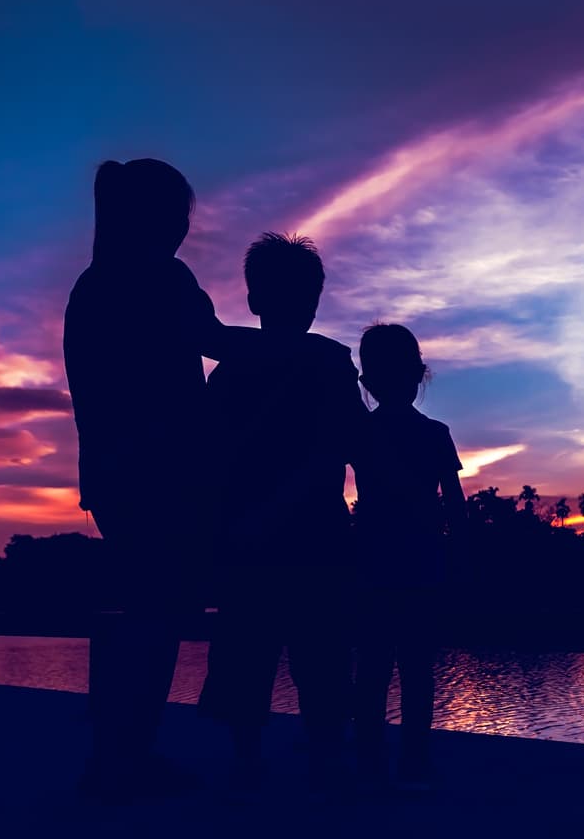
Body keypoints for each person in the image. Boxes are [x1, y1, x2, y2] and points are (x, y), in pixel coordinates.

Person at [63, 158, 256, 801]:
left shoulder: (91, 285)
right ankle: (123, 760)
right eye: (179, 216)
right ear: (155, 216)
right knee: (156, 618)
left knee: (145, 614)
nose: (184, 228)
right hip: (164, 480)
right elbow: (218, 343)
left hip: (115, 480)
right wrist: (295, 348)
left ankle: (116, 755)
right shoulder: (163, 279)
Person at [197, 233, 365, 789]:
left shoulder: (229, 370)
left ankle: (249, 765)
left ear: (253, 299)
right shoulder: (332, 362)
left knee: (251, 654)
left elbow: (209, 454)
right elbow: (342, 447)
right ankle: (324, 764)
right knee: (321, 657)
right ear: (314, 301)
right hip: (313, 532)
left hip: (251, 535)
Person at [352, 324, 466, 790]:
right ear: (418, 374)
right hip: (421, 563)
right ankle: (414, 761)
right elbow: (456, 507)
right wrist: (461, 563)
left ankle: (370, 763)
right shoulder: (435, 434)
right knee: (417, 670)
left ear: (368, 380)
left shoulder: (361, 433)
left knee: (373, 670)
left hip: (373, 563)